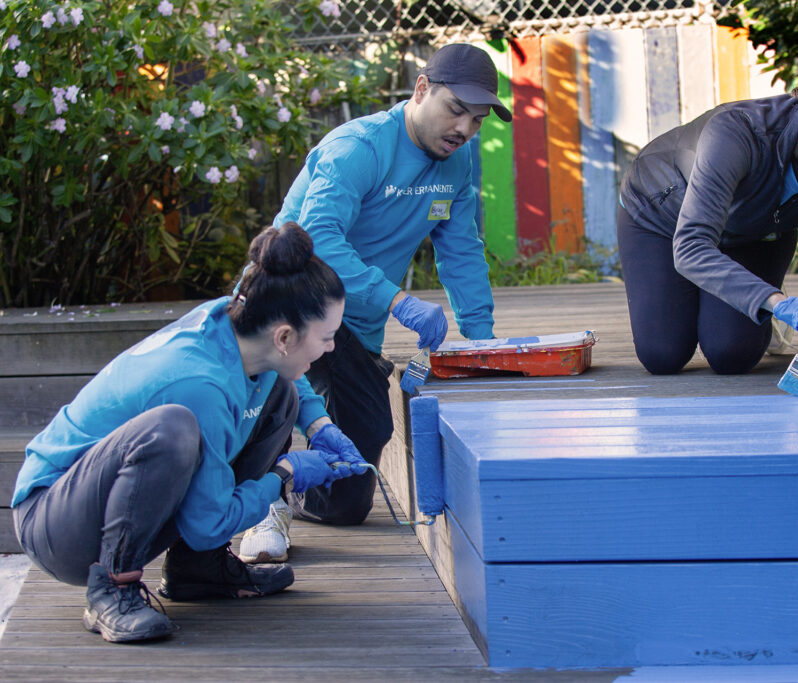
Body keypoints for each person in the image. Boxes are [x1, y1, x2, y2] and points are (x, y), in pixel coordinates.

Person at [11, 223, 367, 643]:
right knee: (171, 427)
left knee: (281, 396)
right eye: (326, 338)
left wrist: (318, 423)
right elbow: (206, 522)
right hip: (55, 523)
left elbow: (285, 372)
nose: (330, 347)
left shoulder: (236, 320)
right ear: (285, 336)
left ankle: (198, 571)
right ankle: (111, 589)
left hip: (99, 501)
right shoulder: (201, 386)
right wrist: (285, 473)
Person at [239, 42, 510, 559]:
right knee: (276, 404)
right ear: (422, 89)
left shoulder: (459, 161)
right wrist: (398, 301)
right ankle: (260, 498)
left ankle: (284, 484)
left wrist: (482, 341)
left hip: (355, 326)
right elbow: (317, 235)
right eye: (456, 111)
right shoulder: (359, 148)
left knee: (348, 499)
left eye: (477, 121)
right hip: (287, 312)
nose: (464, 130)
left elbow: (461, 248)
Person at [616, 68, 798, 385]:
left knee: (732, 353)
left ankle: (737, 298)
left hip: (756, 232)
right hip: (662, 219)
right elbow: (690, 248)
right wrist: (777, 303)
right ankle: (732, 295)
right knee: (663, 354)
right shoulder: (737, 133)